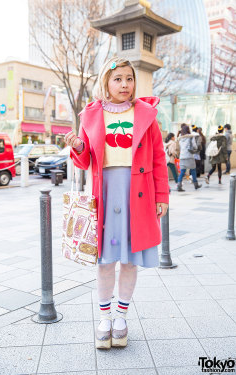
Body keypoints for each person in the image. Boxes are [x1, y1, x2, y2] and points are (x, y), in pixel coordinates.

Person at [65, 56, 169, 350]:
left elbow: (159, 159)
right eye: (118, 79)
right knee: (105, 259)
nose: (124, 84)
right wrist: (77, 147)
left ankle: (121, 318)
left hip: (139, 192)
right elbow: (86, 159)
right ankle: (104, 318)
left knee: (130, 258)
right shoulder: (91, 114)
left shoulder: (147, 114)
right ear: (105, 83)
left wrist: (162, 197)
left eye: (129, 78)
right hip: (105, 192)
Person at [177, 124, 202, 191]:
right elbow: (195, 146)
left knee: (182, 172)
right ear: (188, 130)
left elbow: (180, 147)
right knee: (193, 170)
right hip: (189, 156)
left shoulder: (180, 138)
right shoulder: (191, 137)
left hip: (182, 156)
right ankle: (196, 185)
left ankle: (179, 186)